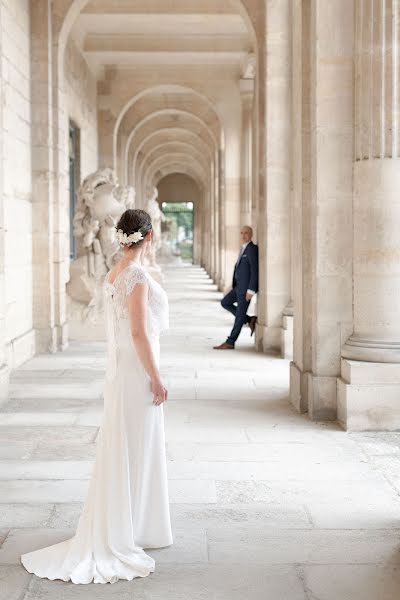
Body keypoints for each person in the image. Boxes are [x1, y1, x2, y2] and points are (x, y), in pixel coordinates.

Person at [21, 209, 173, 584]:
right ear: (148, 237)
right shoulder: (136, 276)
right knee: (137, 444)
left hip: (123, 368)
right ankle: (131, 527)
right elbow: (138, 333)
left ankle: (132, 522)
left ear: (123, 237)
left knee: (128, 443)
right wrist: (156, 377)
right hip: (136, 370)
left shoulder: (114, 273)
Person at [214, 225, 259, 349]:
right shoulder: (243, 248)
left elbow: (255, 271)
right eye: (242, 233)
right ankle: (249, 320)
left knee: (239, 316)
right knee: (225, 302)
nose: (243, 235)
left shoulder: (252, 249)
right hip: (238, 288)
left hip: (246, 290)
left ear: (251, 235)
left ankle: (230, 342)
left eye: (246, 233)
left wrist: (251, 289)